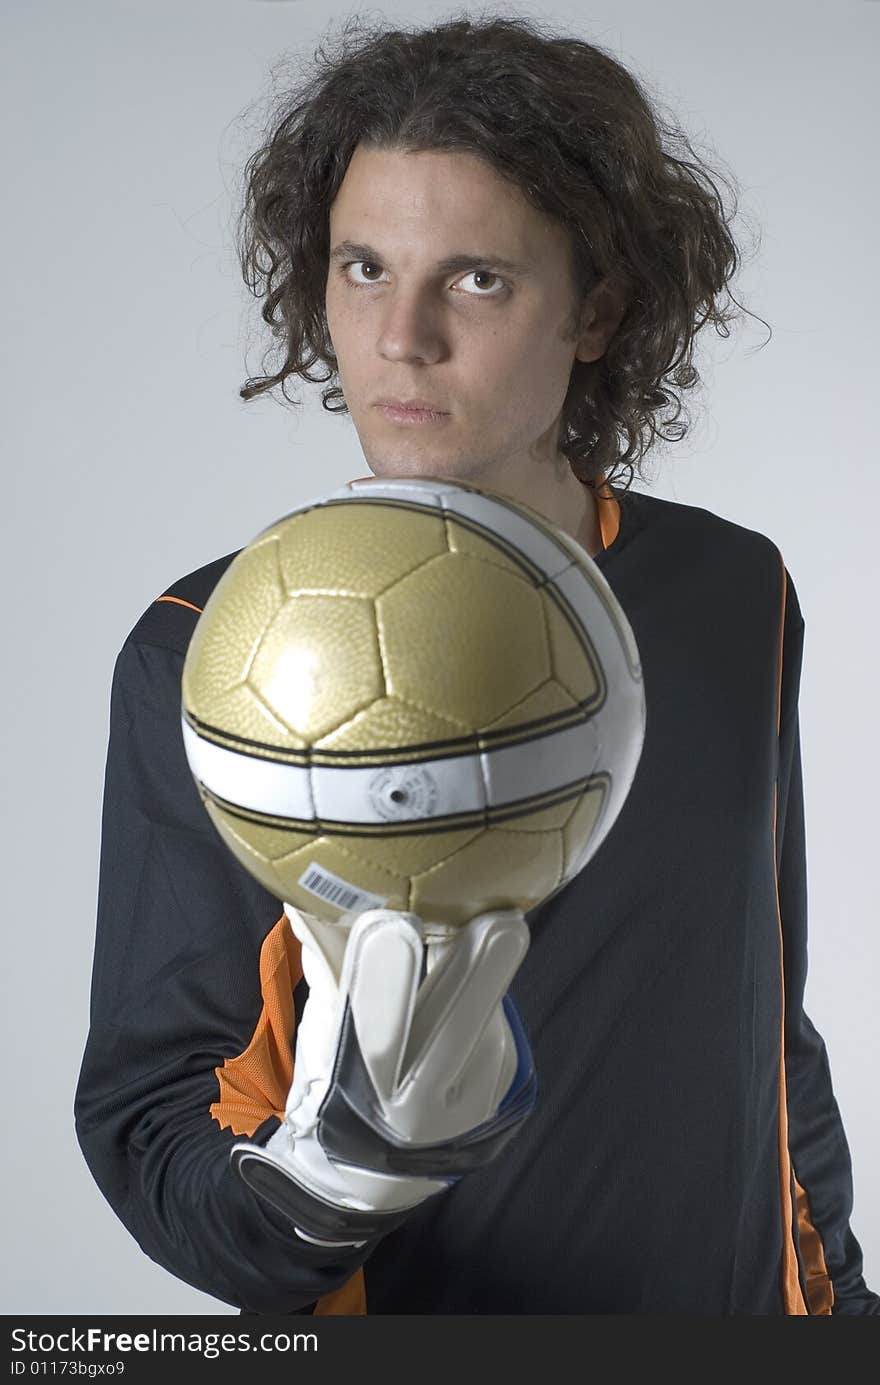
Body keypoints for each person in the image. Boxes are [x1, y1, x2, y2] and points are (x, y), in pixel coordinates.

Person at [74, 11, 878, 1315]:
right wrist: (342, 1175)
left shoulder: (739, 594)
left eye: (477, 278)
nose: (402, 336)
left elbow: (767, 1033)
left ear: (600, 305)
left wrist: (837, 1304)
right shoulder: (210, 649)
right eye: (363, 267)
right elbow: (153, 1118)